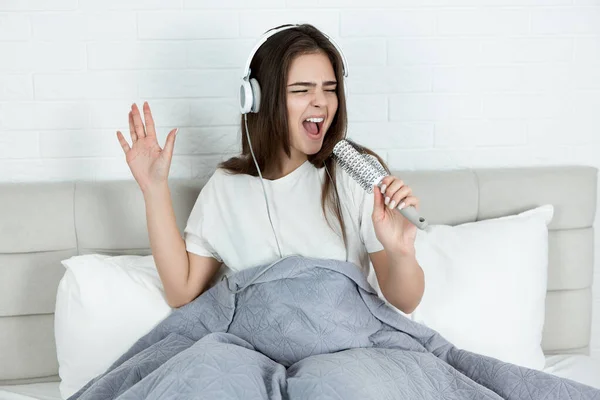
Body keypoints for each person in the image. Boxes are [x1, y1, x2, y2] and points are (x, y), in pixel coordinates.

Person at [115, 24, 424, 314]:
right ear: (257, 99)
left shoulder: (355, 175)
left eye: (329, 89)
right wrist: (153, 189)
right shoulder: (226, 188)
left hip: (340, 348)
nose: (321, 102)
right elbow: (181, 291)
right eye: (302, 90)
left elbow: (406, 301)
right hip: (255, 347)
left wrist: (401, 251)